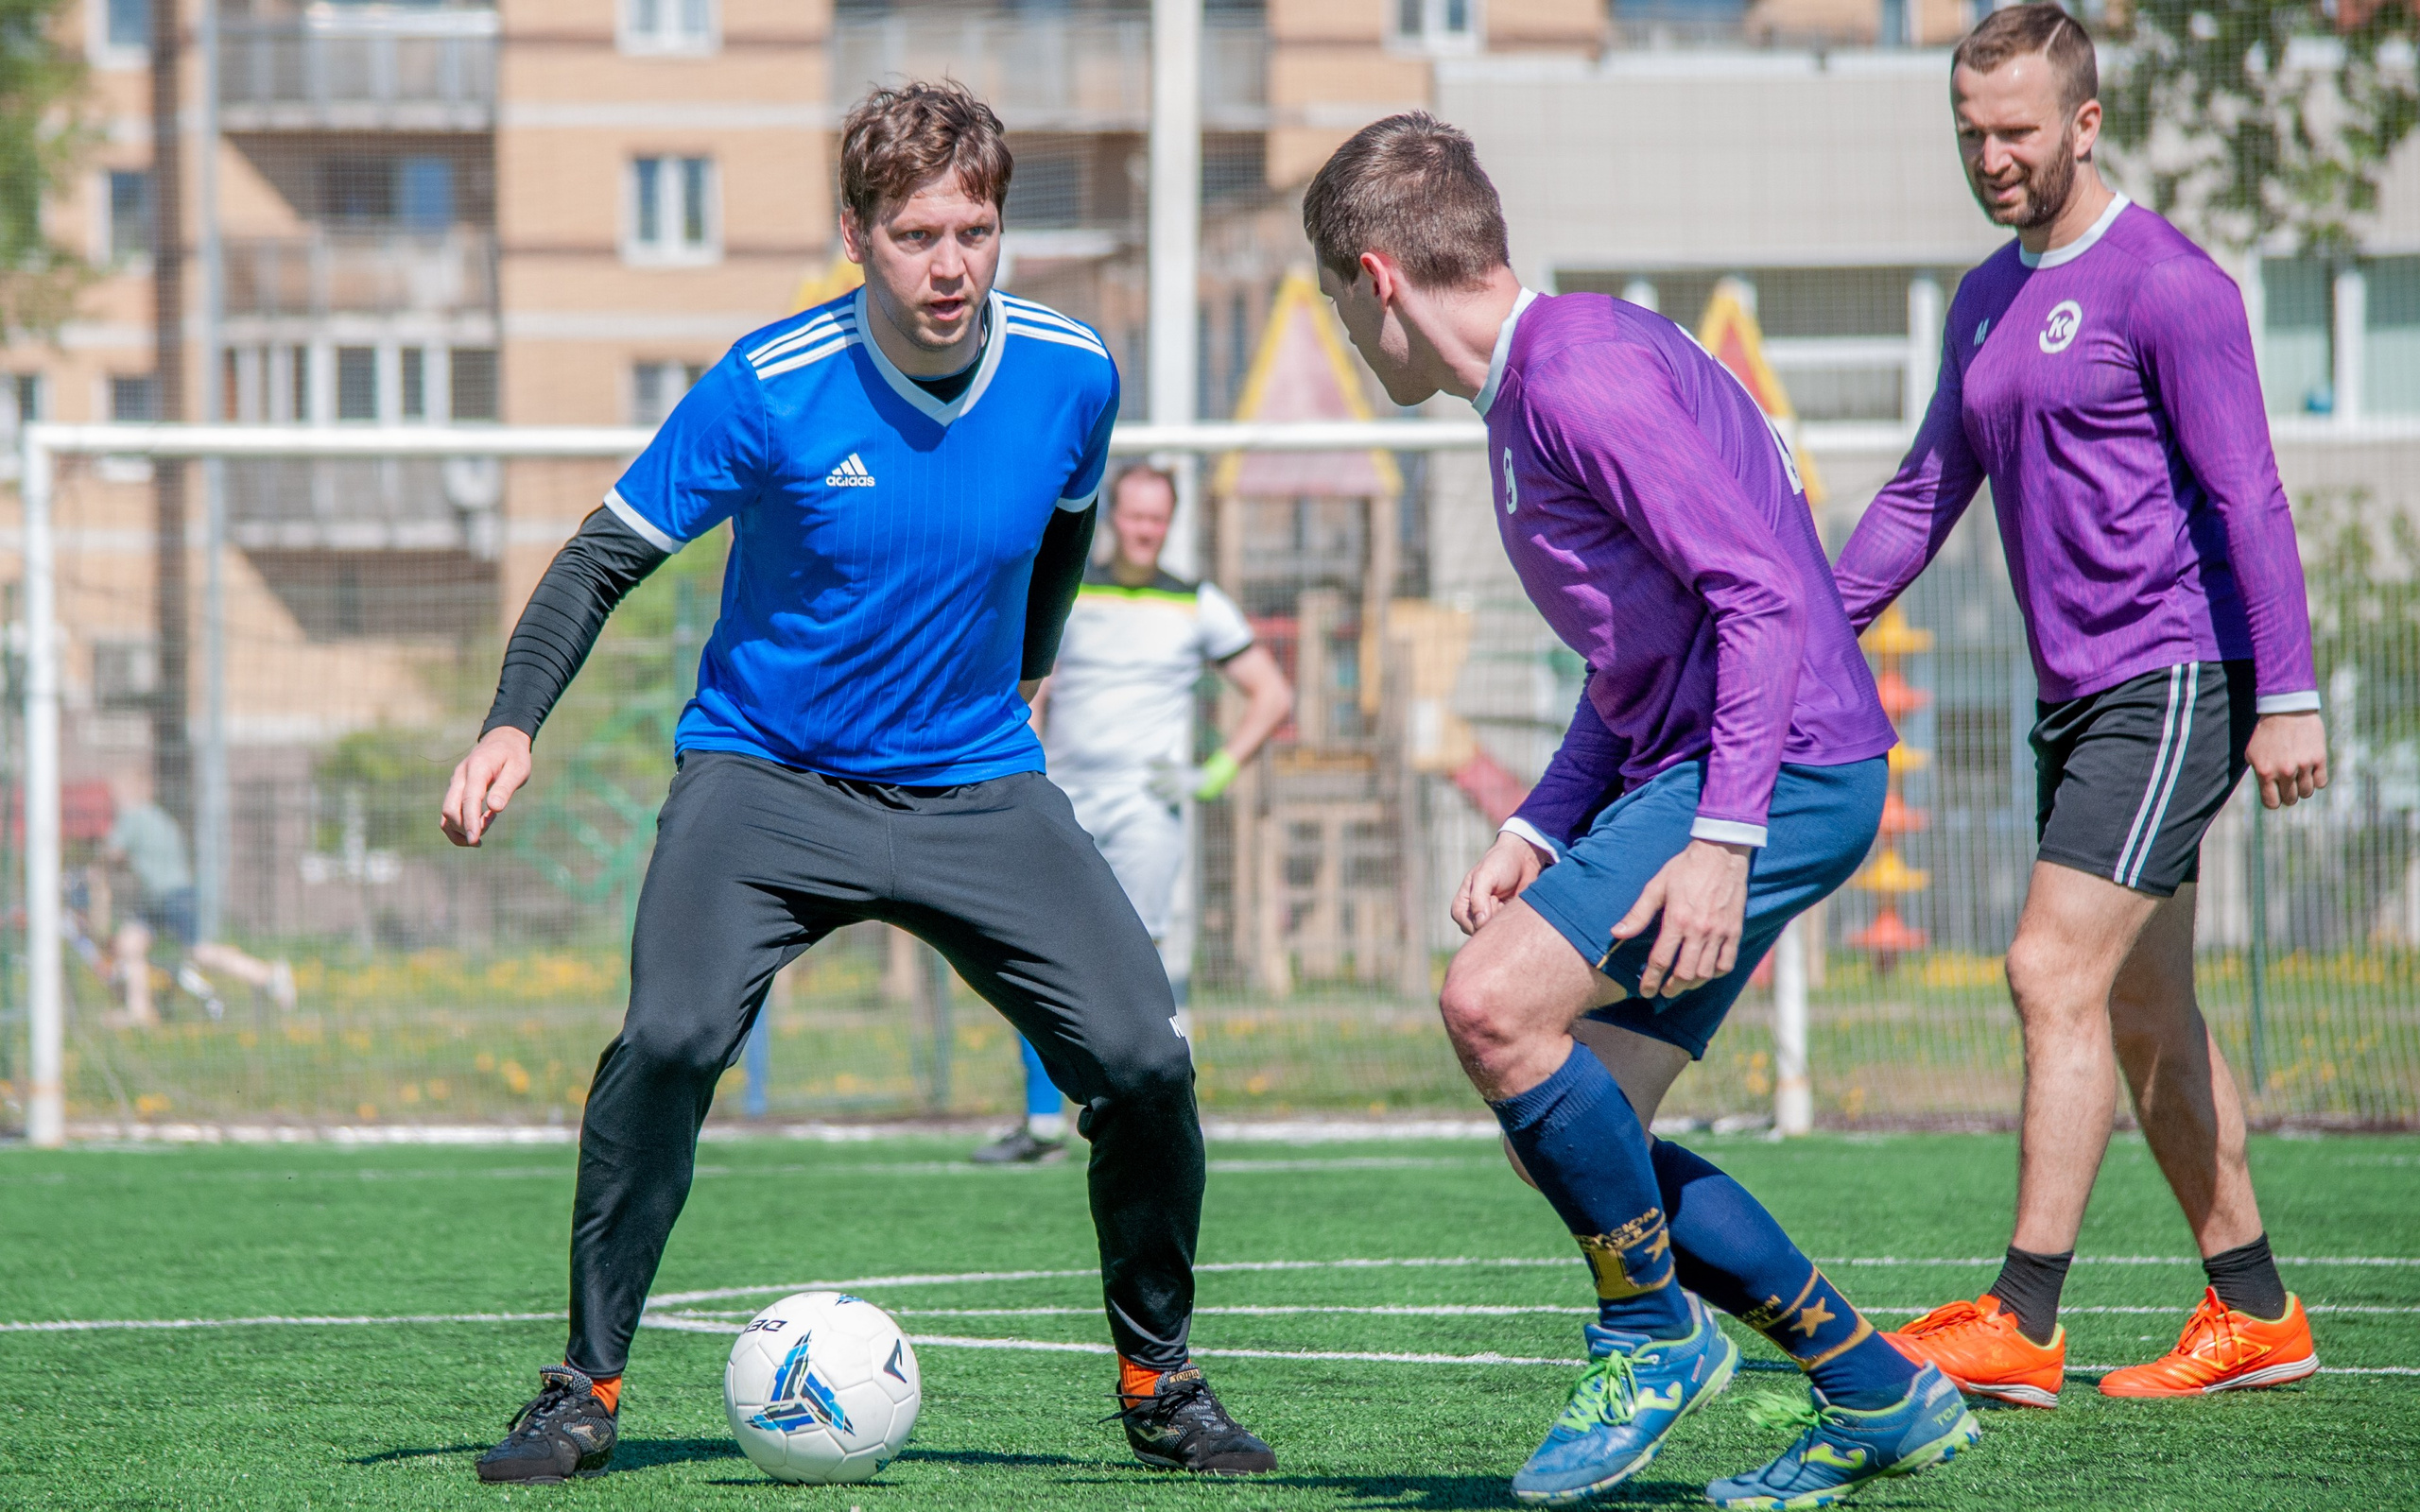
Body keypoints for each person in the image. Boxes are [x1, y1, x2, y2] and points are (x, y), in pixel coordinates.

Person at [440, 83, 1274, 1485]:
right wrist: (511, 722)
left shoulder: (1074, 372)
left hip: (977, 788)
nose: (948, 265)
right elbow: (601, 554)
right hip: (766, 784)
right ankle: (583, 1387)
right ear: (857, 235)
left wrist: (1030, 666)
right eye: (913, 234)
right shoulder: (770, 385)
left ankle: (1159, 1379)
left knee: (1146, 1062)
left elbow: (1066, 528)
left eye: (975, 229)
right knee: (670, 1041)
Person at [1304, 113, 1980, 1508]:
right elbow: (1639, 658)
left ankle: (1648, 1332)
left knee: (1493, 1007)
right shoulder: (1542, 385)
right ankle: (1876, 1390)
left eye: (1334, 306)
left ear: (1378, 280)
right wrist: (1542, 826)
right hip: (1740, 767)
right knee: (1581, 1115)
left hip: (1775, 773)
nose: (1347, 337)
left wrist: (1725, 841)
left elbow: (1760, 598)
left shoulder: (1579, 380)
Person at [1832, 4, 2327, 1406]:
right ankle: (2256, 1312)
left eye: (2018, 133)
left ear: (2085, 124)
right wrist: (1810, 627)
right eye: (1970, 135)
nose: (1993, 158)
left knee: (2050, 968)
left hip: (2179, 674)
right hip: (2077, 695)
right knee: (2142, 1010)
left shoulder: (2172, 284)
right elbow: (1928, 489)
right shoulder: (1984, 297)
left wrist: (2286, 696)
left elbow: (2250, 496)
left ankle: (2023, 1317)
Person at [972, 463, 1293, 1164]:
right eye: (1135, 516)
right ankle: (1042, 1124)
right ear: (1114, 517)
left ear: (1168, 524)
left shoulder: (1199, 602)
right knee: (1033, 948)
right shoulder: (1068, 588)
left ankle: (1158, 1120)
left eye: (1158, 519)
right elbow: (1033, 686)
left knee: (1138, 964)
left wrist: (1214, 771)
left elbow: (1271, 695)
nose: (1145, 530)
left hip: (1149, 810)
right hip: (1060, 799)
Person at [104, 779, 294, 1024]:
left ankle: (268, 975)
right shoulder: (161, 819)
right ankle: (139, 1011)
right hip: (160, 898)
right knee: (130, 945)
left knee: (201, 953)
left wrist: (97, 865)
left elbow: (112, 852)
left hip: (169, 897)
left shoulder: (132, 816)